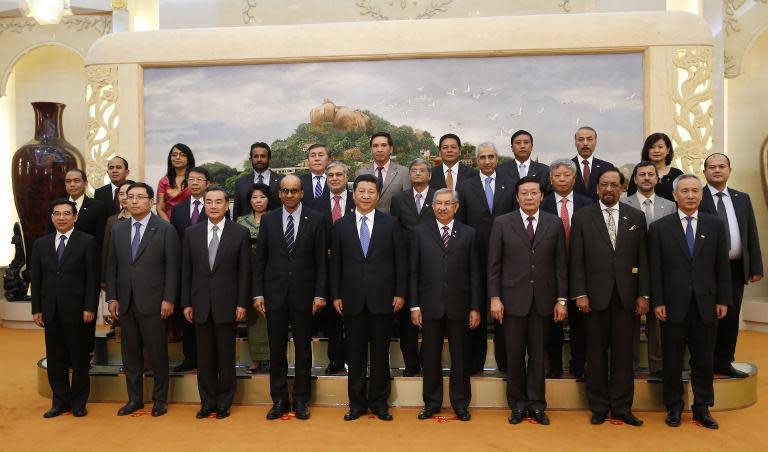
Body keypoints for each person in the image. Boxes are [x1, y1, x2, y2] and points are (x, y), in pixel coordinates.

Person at [649, 174, 731, 429]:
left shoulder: (715, 225)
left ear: (702, 194)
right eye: (685, 191)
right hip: (672, 304)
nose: (691, 195)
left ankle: (702, 407)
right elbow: (656, 269)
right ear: (675, 196)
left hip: (706, 303)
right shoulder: (660, 228)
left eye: (695, 190)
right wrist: (658, 301)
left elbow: (722, 268)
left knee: (704, 358)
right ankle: (674, 407)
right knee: (672, 359)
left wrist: (723, 299)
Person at [569, 168, 648, 427]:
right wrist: (580, 293)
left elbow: (643, 259)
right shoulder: (582, 217)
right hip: (593, 298)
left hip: (627, 298)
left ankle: (623, 407)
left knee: (624, 356)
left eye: (614, 185)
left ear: (623, 188)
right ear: (597, 188)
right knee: (596, 354)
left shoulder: (636, 217)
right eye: (604, 185)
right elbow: (576, 260)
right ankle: (599, 406)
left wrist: (643, 295)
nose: (609, 189)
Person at [488, 176, 567, 426]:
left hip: (543, 300)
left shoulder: (554, 223)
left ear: (542, 197)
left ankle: (537, 405)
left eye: (534, 193)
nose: (529, 197)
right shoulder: (502, 223)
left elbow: (560, 266)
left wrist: (561, 300)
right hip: (511, 301)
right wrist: (495, 298)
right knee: (514, 356)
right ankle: (518, 405)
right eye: (524, 193)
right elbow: (494, 265)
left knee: (538, 356)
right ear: (517, 197)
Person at [331, 174, 407, 422]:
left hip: (383, 299)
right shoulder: (341, 225)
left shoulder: (391, 223)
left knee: (380, 355)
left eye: (370, 192)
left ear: (378, 195)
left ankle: (379, 403)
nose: (365, 196)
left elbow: (400, 262)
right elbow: (336, 264)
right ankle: (356, 404)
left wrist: (400, 292)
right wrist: (336, 295)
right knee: (354, 354)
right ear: (353, 195)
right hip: (351, 299)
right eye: (361, 191)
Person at [253, 175, 327, 421]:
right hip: (274, 295)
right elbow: (260, 260)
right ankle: (279, 400)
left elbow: (321, 262)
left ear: (302, 193)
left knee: (304, 350)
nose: (289, 195)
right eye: (284, 191)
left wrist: (319, 293)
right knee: (277, 351)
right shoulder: (269, 220)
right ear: (279, 193)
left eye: (294, 190)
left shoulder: (316, 220)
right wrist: (258, 293)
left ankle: (301, 400)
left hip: (305, 296)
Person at [106, 182, 180, 417]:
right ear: (124, 201)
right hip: (125, 301)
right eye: (131, 197)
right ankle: (135, 399)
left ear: (151, 201)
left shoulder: (165, 229)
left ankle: (159, 399)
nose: (135, 201)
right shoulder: (118, 230)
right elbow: (112, 266)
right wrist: (112, 297)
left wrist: (169, 298)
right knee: (130, 354)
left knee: (157, 353)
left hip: (155, 301)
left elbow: (173, 268)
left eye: (140, 197)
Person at [410, 188, 481, 421]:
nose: (442, 207)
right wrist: (414, 306)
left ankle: (460, 403)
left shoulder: (469, 233)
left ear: (456, 207)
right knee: (430, 356)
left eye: (447, 203)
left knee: (460, 356)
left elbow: (475, 274)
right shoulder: (420, 232)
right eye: (438, 203)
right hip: (429, 305)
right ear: (432, 206)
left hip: (459, 306)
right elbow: (414, 272)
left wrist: (475, 307)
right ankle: (431, 402)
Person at [181, 186, 251, 420]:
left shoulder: (240, 232)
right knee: (205, 358)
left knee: (225, 357)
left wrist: (242, 303)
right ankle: (207, 402)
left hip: (228, 304)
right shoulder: (191, 233)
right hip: (199, 305)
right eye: (208, 201)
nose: (213, 206)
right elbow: (186, 271)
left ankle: (224, 402)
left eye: (218, 202)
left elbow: (244, 274)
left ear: (226, 205)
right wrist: (186, 303)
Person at [31, 200, 99, 418]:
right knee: (56, 359)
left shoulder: (87, 242)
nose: (61, 218)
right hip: (50, 310)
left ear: (75, 217)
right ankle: (60, 401)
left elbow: (92, 279)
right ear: (52, 217)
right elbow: (37, 278)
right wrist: (36, 308)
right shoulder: (41, 244)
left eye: (66, 214)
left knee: (79, 359)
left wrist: (90, 307)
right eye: (57, 214)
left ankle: (79, 402)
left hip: (78, 310)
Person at [700, 153, 763, 378]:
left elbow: (751, 234)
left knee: (731, 316)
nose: (717, 170)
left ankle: (725, 361)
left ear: (729, 170)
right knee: (707, 317)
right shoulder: (697, 196)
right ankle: (705, 364)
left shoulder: (741, 198)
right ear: (704, 171)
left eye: (721, 166)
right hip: (705, 270)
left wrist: (756, 266)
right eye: (712, 167)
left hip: (735, 269)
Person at [456, 142, 517, 374]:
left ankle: (505, 363)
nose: (487, 161)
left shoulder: (510, 185)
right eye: (483, 157)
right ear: (476, 160)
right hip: (475, 259)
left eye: (491, 156)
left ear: (497, 159)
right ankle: (474, 363)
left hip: (506, 260)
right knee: (476, 311)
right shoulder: (465, 186)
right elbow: (460, 225)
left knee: (504, 314)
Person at [621, 161, 676, 378]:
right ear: (635, 179)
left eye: (650, 174)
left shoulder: (670, 205)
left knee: (658, 324)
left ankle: (658, 368)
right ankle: (631, 367)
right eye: (641, 174)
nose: (646, 178)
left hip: (661, 272)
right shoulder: (623, 204)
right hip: (630, 272)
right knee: (630, 322)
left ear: (657, 179)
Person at [541, 159, 591, 379]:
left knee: (581, 324)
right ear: (550, 179)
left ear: (574, 178)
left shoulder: (588, 203)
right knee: (553, 323)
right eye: (557, 176)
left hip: (582, 273)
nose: (562, 179)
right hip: (550, 273)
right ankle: (554, 366)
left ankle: (579, 366)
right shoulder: (541, 204)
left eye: (566, 175)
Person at [390, 158, 437, 377]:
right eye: (414, 170)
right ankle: (411, 363)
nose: (417, 173)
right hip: (405, 264)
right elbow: (394, 231)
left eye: (422, 170)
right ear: (409, 175)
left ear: (430, 175)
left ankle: (428, 361)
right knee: (407, 319)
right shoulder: (399, 200)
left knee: (432, 318)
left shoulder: (439, 197)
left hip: (432, 264)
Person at [313, 161, 356, 375]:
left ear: (346, 177)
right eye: (331, 175)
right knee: (333, 319)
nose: (335, 178)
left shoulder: (358, 200)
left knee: (354, 318)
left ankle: (354, 360)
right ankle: (336, 359)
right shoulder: (316, 203)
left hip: (355, 267)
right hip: (328, 270)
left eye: (339, 174)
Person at [169, 167, 211, 373]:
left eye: (199, 179)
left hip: (209, 268)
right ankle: (189, 357)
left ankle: (206, 358)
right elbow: (174, 240)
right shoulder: (178, 209)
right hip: (185, 268)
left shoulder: (215, 207)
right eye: (191, 179)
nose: (195, 183)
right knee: (187, 314)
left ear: (207, 183)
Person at [236, 183, 273, 374]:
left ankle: (270, 357)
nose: (258, 201)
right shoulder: (241, 220)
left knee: (269, 317)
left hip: (271, 273)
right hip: (248, 274)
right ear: (249, 201)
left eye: (262, 197)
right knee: (252, 318)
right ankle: (256, 360)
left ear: (269, 199)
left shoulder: (276, 218)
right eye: (254, 197)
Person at [355, 132, 411, 213]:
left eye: (384, 145)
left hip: (394, 223)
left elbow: (407, 203)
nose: (379, 149)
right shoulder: (360, 173)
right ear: (371, 150)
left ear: (391, 149)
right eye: (375, 146)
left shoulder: (404, 172)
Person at [626, 133, 683, 201]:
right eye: (652, 147)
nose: (656, 151)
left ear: (668, 150)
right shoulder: (639, 173)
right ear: (647, 151)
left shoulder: (677, 174)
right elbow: (631, 200)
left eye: (660, 147)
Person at [233, 142, 283, 219]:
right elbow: (236, 213)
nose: (259, 159)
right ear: (251, 160)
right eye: (256, 156)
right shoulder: (240, 183)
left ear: (269, 159)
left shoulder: (282, 181)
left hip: (275, 228)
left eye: (263, 156)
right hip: (247, 229)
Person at [497, 130, 552, 197]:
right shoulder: (500, 170)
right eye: (518, 143)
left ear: (531, 146)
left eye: (526, 142)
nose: (522, 146)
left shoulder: (545, 170)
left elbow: (549, 196)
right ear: (512, 148)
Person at [571, 127, 614, 201]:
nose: (585, 143)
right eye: (581, 139)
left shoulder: (607, 167)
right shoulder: (568, 167)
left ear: (595, 142)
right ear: (575, 142)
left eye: (589, 139)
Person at [156, 143, 195, 221]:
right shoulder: (164, 181)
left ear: (189, 159)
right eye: (174, 155)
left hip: (192, 222)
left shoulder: (195, 179)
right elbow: (159, 208)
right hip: (169, 221)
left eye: (182, 155)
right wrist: (170, 227)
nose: (177, 157)